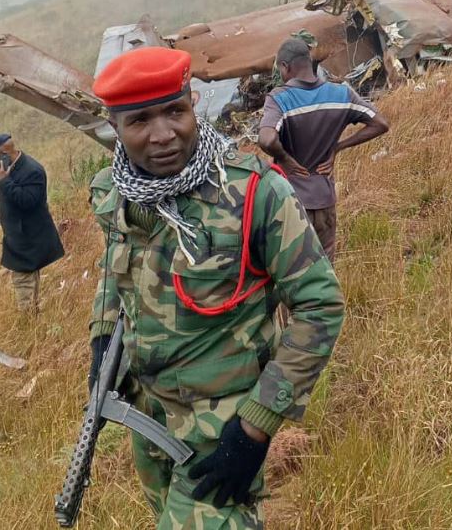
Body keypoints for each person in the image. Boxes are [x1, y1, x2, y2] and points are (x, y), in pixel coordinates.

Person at [88, 46, 344, 529]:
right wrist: (102, 342)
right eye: (140, 121)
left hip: (222, 428)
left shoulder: (254, 192)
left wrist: (255, 427)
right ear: (114, 126)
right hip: (151, 423)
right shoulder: (112, 192)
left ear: (192, 102)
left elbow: (320, 306)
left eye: (176, 112)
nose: (164, 135)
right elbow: (113, 274)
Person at [258, 37, 389, 262]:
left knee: (292, 271)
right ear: (309, 62)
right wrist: (337, 147)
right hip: (325, 199)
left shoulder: (280, 98)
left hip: (290, 202)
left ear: (284, 67)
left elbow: (267, 140)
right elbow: (381, 124)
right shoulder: (341, 94)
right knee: (325, 269)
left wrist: (285, 158)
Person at [0, 134, 64, 315]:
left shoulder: (32, 170)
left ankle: (28, 324)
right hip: (18, 239)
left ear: (3, 153)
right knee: (28, 282)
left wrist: (4, 182)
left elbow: (27, 201)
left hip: (28, 240)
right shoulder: (10, 169)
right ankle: (32, 317)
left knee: (23, 284)